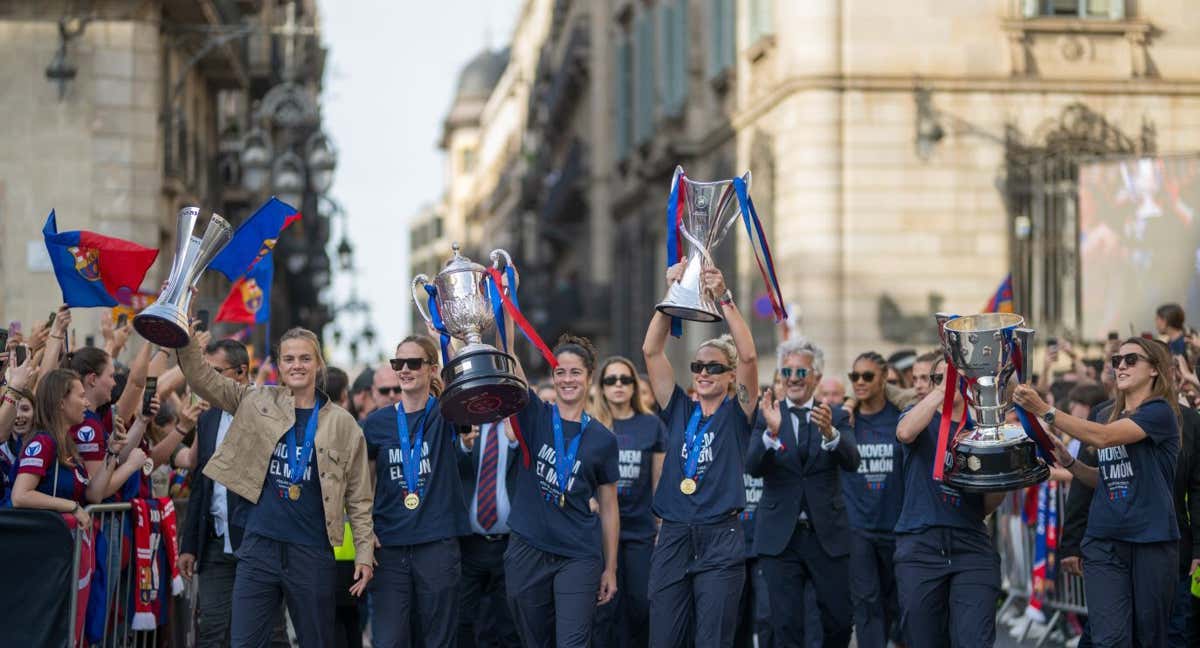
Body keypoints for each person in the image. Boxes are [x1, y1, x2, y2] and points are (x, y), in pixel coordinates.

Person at [178, 326, 375, 648]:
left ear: (318, 364)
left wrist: (364, 554)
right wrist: (183, 337)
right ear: (279, 366)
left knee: (317, 641)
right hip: (259, 546)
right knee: (244, 643)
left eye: (305, 358)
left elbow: (360, 498)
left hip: (311, 550)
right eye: (289, 359)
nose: (297, 365)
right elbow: (203, 379)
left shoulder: (343, 424)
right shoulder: (256, 400)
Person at [1014, 337, 1182, 646]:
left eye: (1131, 360)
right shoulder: (1104, 412)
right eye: (1117, 360)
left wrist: (1044, 409)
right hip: (1104, 541)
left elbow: (1104, 438)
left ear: (1155, 370)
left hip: (1150, 541)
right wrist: (1071, 463)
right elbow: (1105, 478)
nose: (1121, 366)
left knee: (1149, 639)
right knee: (1109, 639)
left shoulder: (1160, 413)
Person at [642, 263, 759, 648]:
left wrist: (724, 296)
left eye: (713, 367)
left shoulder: (736, 413)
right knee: (664, 638)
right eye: (697, 366)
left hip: (720, 536)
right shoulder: (678, 409)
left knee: (713, 640)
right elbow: (651, 350)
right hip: (674, 532)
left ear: (729, 377)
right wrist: (672, 295)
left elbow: (749, 358)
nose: (703, 372)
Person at [498, 328, 620, 648]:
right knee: (534, 640)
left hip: (578, 555)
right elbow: (508, 360)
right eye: (560, 372)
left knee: (572, 642)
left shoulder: (603, 439)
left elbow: (609, 508)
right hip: (528, 548)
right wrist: (506, 310)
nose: (567, 379)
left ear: (589, 377)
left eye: (575, 372)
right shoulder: (535, 414)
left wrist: (610, 568)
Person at [178, 339, 289, 648]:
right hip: (216, 546)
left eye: (215, 372)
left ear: (241, 372)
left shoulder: (270, 411)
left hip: (258, 541)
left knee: (270, 631)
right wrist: (189, 545)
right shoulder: (208, 418)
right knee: (211, 629)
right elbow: (202, 482)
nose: (208, 381)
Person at [748, 339, 859, 648]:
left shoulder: (834, 416)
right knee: (785, 624)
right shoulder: (767, 413)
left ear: (817, 377)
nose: (793, 377)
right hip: (780, 539)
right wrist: (770, 433)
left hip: (827, 536)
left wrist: (831, 435)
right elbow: (752, 466)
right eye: (787, 370)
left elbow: (852, 461)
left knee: (838, 620)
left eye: (801, 371)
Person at [361, 335, 470, 648]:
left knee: (438, 640)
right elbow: (364, 481)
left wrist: (445, 338)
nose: (405, 369)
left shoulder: (447, 413)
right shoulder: (377, 423)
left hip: (436, 544)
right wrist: (365, 527)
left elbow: (463, 382)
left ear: (432, 369)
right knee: (390, 640)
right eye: (399, 363)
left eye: (414, 363)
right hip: (390, 547)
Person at [894, 352, 1008, 647]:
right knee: (923, 639)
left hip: (970, 544)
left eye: (956, 377)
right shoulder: (920, 418)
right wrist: (939, 392)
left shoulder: (981, 428)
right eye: (941, 378)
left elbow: (986, 505)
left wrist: (1004, 478)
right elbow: (904, 433)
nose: (949, 383)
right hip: (921, 544)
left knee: (974, 639)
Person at [590, 356, 666, 648]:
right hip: (599, 531)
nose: (618, 385)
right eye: (611, 380)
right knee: (604, 607)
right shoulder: (592, 424)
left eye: (625, 379)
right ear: (602, 387)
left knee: (640, 605)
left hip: (640, 531)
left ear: (635, 386)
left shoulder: (652, 425)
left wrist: (662, 528)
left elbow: (658, 481)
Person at [840, 352, 904, 648]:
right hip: (858, 529)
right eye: (855, 377)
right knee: (866, 604)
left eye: (868, 376)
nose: (860, 382)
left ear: (883, 378)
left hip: (896, 527)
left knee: (899, 605)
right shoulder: (845, 421)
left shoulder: (900, 419)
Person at [10, 368, 131, 521]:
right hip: (41, 540)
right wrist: (72, 507)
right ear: (61, 403)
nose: (86, 403)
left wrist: (112, 451)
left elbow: (93, 494)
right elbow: (20, 496)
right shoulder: (43, 442)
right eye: (81, 396)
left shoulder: (67, 443)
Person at [456, 414, 523, 648]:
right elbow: (446, 467)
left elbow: (535, 464)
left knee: (510, 623)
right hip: (468, 544)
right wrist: (463, 446)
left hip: (510, 544)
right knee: (461, 620)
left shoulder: (517, 422)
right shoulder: (465, 421)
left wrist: (517, 442)